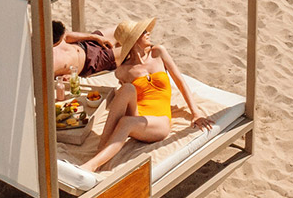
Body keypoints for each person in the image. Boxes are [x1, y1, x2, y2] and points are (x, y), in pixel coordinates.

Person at [80, 17, 213, 173]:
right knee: (127, 89)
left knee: (126, 122)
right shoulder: (123, 70)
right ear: (135, 40)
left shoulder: (158, 52)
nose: (148, 33)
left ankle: (92, 164)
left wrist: (195, 113)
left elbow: (180, 81)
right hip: (138, 114)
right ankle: (101, 149)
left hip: (159, 122)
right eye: (143, 32)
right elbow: (123, 100)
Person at [51, 20, 119, 78]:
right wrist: (68, 77)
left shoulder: (48, 36)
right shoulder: (49, 65)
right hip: (93, 61)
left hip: (85, 43)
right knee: (129, 49)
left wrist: (95, 37)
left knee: (125, 28)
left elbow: (66, 36)